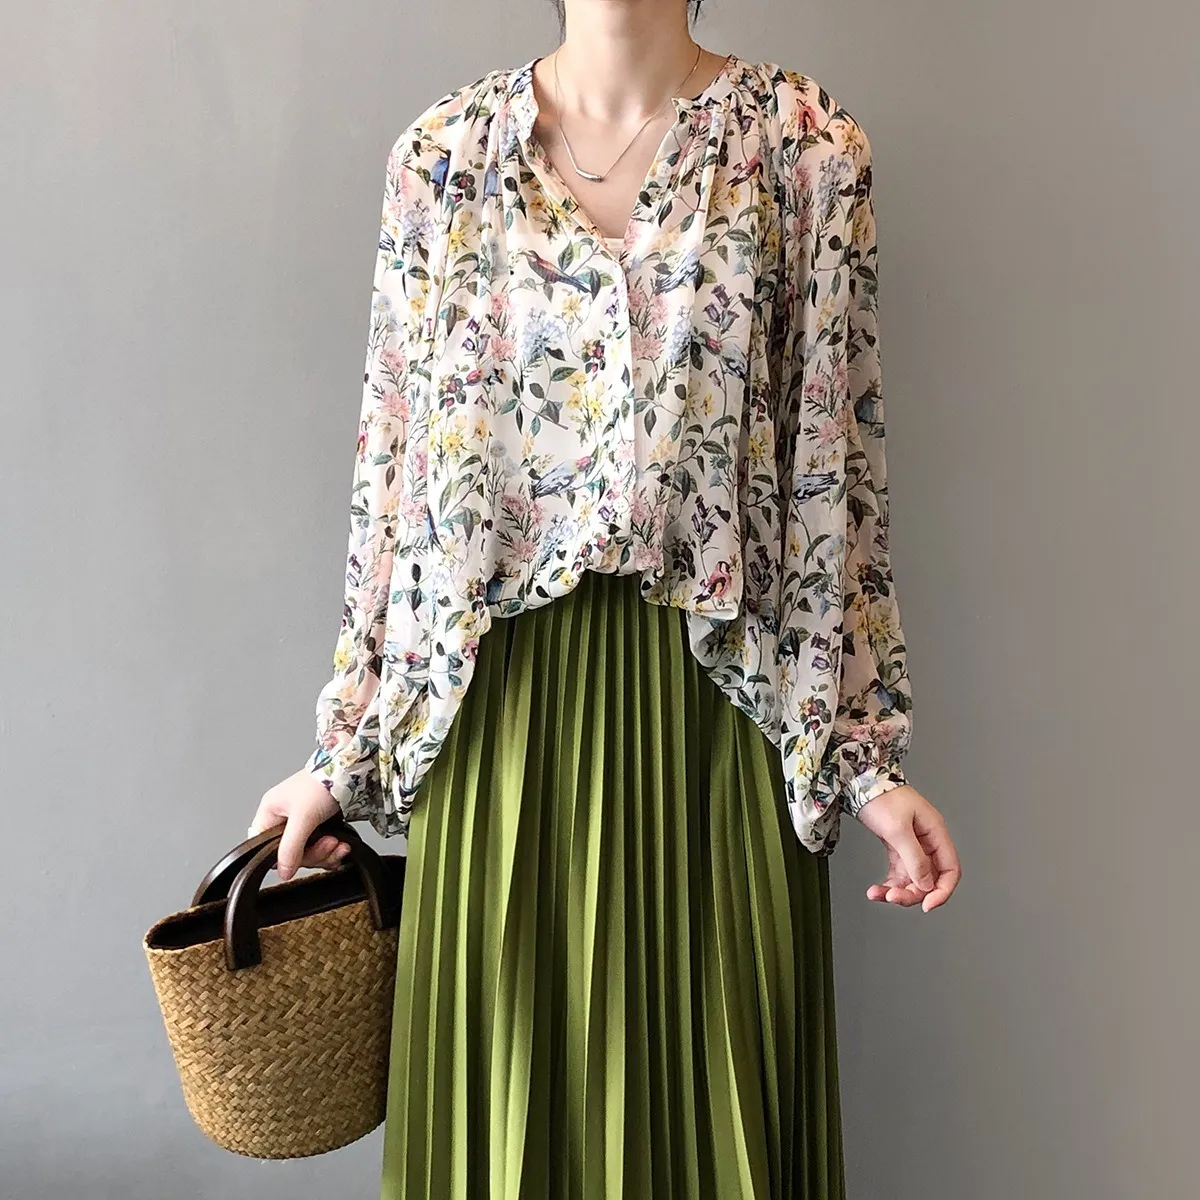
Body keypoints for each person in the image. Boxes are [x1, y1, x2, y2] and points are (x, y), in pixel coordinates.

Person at [250, 2, 962, 1195]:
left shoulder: (805, 144)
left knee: (719, 1131)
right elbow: (395, 478)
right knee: (509, 1137)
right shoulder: (443, 157)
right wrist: (345, 749)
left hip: (723, 724)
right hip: (495, 730)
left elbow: (834, 466)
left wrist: (862, 756)